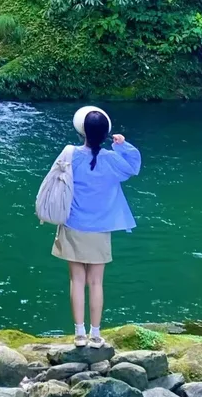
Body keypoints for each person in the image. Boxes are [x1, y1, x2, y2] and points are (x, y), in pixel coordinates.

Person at [51, 108, 141, 348]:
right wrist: (122, 145)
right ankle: (96, 334)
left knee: (77, 281)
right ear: (105, 134)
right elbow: (134, 167)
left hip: (73, 225)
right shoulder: (112, 160)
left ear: (82, 131)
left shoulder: (70, 154)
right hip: (101, 228)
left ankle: (79, 334)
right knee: (97, 283)